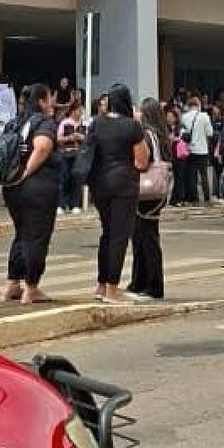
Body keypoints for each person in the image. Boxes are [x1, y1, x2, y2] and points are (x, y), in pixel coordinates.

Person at [88, 83, 151, 302]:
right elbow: (142, 162)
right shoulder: (132, 127)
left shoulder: (96, 123)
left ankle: (101, 285)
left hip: (99, 184)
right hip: (123, 184)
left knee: (106, 234)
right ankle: (113, 289)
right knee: (119, 236)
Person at [2, 85, 61, 304]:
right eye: (49, 98)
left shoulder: (14, 123)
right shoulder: (43, 122)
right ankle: (32, 287)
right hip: (37, 187)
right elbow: (43, 146)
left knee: (21, 234)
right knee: (36, 237)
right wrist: (28, 172)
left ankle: (12, 284)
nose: (52, 103)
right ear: (42, 101)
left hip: (12, 187)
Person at [130, 95, 170, 302]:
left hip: (146, 193)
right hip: (154, 194)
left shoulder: (147, 135)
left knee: (145, 238)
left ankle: (152, 284)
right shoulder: (160, 135)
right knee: (143, 237)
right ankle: (140, 281)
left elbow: (143, 163)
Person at [180, 95, 215, 205]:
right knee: (204, 174)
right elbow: (210, 133)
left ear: (188, 106)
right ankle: (207, 198)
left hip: (190, 150)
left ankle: (194, 199)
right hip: (202, 149)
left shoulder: (184, 117)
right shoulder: (204, 116)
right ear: (198, 105)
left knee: (192, 175)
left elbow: (182, 134)